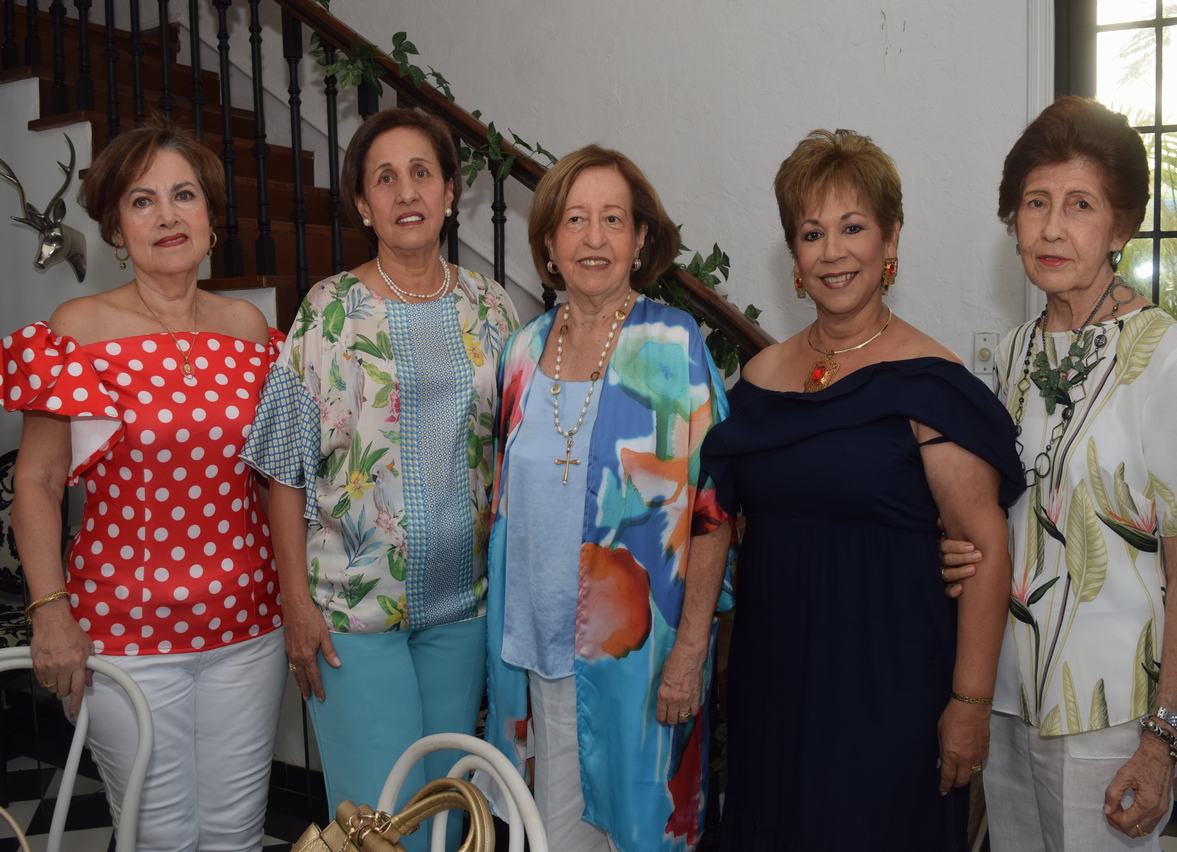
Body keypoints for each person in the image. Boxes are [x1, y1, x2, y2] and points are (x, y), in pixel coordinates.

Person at [699, 129, 1024, 851]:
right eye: (811, 233)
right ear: (793, 257)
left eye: (852, 228)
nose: (833, 251)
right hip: (773, 684)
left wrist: (968, 704)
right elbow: (722, 516)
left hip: (889, 691)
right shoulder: (757, 381)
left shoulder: (929, 383)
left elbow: (985, 546)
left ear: (889, 239)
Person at [2, 121, 286, 851]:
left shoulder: (251, 331)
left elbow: (270, 479)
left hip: (247, 628)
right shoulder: (79, 328)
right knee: (159, 835)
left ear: (210, 221)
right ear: (116, 230)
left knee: (234, 834)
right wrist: (49, 612)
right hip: (123, 635)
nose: (166, 216)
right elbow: (36, 481)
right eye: (142, 200)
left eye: (184, 196)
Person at [240, 107, 518, 850]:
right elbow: (282, 470)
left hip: (461, 608)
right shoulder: (327, 312)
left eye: (421, 173)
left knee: (451, 813)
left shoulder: (491, 309)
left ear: (451, 192)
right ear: (363, 205)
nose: (405, 192)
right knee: (380, 828)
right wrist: (296, 604)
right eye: (384, 178)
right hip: (353, 619)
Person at [938, 96, 1177, 851]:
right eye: (1034, 203)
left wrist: (1162, 735)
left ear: (1120, 224)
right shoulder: (1005, 357)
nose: (1049, 227)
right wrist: (961, 552)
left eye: (1079, 205)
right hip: (1007, 698)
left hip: (1114, 710)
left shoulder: (1160, 353)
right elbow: (999, 512)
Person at [481, 144, 732, 852]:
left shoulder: (673, 346)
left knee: (638, 839)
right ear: (549, 244)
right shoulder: (521, 352)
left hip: (640, 662)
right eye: (574, 219)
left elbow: (714, 515)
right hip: (534, 653)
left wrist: (689, 653)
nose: (594, 238)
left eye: (613, 220)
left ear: (640, 239)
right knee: (552, 840)